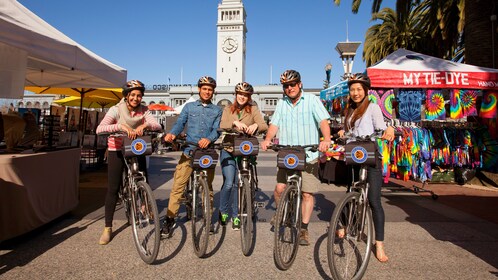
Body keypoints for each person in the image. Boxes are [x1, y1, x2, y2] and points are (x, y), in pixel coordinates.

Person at [260, 70, 331, 246]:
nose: (289, 88)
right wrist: (268, 139)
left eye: (292, 84)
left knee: (307, 193)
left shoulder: (312, 100)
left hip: (309, 154)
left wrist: (327, 140)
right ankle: (281, 211)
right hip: (287, 154)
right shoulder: (282, 104)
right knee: (279, 188)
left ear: (300, 84)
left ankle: (304, 229)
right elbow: (274, 124)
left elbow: (323, 122)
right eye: (286, 86)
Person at [337, 73, 395, 263]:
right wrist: (343, 132)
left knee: (374, 201)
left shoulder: (373, 108)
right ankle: (345, 223)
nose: (355, 93)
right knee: (350, 191)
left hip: (370, 157)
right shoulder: (349, 110)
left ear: (365, 91)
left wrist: (389, 130)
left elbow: (382, 127)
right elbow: (351, 132)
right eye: (352, 89)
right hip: (354, 155)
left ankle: (379, 244)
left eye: (359, 89)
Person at [96, 80, 161, 245]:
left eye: (139, 95)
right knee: (113, 187)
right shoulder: (115, 109)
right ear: (126, 96)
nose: (136, 98)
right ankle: (107, 227)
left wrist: (145, 125)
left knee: (143, 177)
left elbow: (157, 126)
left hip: (136, 147)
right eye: (132, 95)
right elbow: (100, 129)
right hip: (117, 149)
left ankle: (145, 204)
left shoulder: (144, 110)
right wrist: (120, 126)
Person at [161, 76, 222, 235]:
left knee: (207, 188)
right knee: (177, 186)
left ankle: (207, 219)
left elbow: (217, 129)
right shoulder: (189, 107)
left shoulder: (217, 110)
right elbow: (180, 123)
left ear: (213, 92)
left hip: (205, 153)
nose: (207, 92)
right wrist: (172, 135)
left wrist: (208, 139)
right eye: (204, 89)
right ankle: (170, 219)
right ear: (199, 89)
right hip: (189, 151)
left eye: (210, 89)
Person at [218, 82, 268, 230]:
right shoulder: (228, 108)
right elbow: (222, 124)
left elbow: (263, 125)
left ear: (249, 97)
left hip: (244, 149)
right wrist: (234, 123)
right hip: (228, 148)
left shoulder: (253, 109)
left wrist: (256, 126)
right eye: (240, 94)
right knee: (229, 183)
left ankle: (236, 216)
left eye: (245, 95)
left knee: (239, 184)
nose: (242, 97)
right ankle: (223, 211)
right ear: (236, 95)